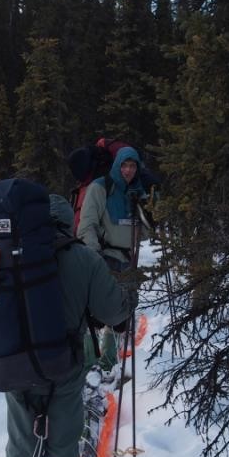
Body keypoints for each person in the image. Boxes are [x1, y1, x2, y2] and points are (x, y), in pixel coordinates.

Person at [5, 193, 133, 457]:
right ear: (68, 222)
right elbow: (113, 312)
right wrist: (127, 299)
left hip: (13, 362)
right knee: (62, 441)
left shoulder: (7, 253)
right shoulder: (83, 258)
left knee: (22, 435)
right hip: (62, 362)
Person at [76, 145, 148, 371]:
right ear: (117, 165)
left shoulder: (138, 193)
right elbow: (86, 225)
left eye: (133, 166)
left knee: (122, 312)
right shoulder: (100, 187)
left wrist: (146, 210)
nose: (128, 170)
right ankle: (89, 362)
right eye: (124, 165)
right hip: (103, 257)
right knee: (96, 311)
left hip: (128, 260)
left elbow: (145, 233)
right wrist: (93, 255)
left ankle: (109, 361)